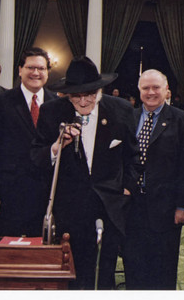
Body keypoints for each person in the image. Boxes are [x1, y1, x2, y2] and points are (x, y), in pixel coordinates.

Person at [31, 56, 140, 289]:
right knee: (72, 274)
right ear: (67, 94)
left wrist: (128, 189)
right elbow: (36, 156)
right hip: (69, 209)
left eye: (89, 94)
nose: (83, 101)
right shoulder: (52, 111)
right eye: (76, 96)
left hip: (109, 208)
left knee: (104, 273)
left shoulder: (120, 109)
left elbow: (133, 156)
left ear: (99, 90)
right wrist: (56, 146)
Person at [123, 70, 184, 290]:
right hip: (131, 208)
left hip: (166, 210)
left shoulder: (183, 120)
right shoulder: (128, 117)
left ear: (167, 90)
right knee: (133, 266)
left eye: (156, 87)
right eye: (145, 88)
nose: (151, 92)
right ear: (139, 92)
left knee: (162, 270)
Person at [0, 47, 57, 237]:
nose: (36, 73)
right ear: (20, 70)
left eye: (41, 68)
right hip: (9, 197)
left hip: (48, 198)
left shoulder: (58, 105)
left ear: (47, 72)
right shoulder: (0, 103)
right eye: (30, 67)